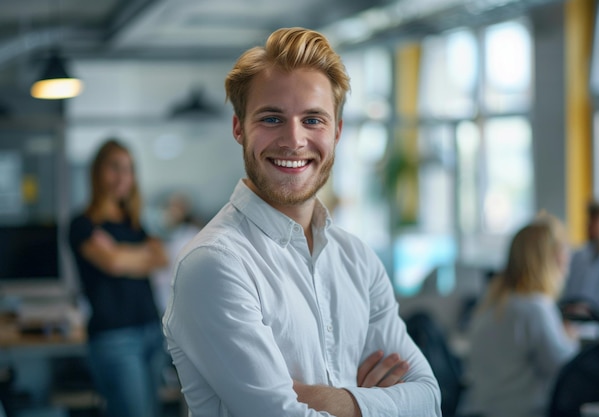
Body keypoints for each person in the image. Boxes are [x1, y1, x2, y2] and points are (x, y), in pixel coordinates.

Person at [162, 27, 441, 417]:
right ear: (239, 128)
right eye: (272, 118)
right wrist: (378, 403)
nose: (294, 140)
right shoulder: (215, 263)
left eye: (313, 120)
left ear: (337, 132)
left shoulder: (357, 259)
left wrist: (328, 399)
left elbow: (428, 398)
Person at [68, 139, 169, 417]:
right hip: (114, 339)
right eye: (114, 167)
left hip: (151, 331)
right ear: (97, 172)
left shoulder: (133, 222)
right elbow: (112, 264)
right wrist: (134, 256)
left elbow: (161, 258)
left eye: (128, 169)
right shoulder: (82, 224)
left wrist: (119, 251)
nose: (123, 176)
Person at [464, 213, 579, 417]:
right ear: (548, 257)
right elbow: (564, 370)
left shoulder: (492, 302)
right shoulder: (535, 307)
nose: (568, 257)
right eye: (564, 250)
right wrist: (571, 339)